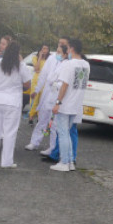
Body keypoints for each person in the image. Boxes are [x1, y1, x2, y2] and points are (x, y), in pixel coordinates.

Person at [0, 40, 32, 168]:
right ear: (18, 53)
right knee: (9, 133)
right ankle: (6, 162)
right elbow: (28, 85)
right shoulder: (21, 66)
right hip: (12, 101)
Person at [50, 38, 89, 172]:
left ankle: (64, 162)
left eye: (67, 47)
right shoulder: (86, 65)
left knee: (63, 133)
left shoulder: (69, 64)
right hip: (76, 105)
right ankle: (71, 161)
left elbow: (64, 85)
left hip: (66, 104)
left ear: (71, 48)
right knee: (68, 133)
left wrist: (57, 103)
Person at [26, 37, 68, 151]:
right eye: (59, 44)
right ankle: (34, 142)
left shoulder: (68, 62)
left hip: (58, 95)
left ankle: (52, 147)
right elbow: (43, 75)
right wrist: (36, 90)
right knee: (42, 119)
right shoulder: (52, 58)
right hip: (47, 93)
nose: (59, 47)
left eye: (62, 45)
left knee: (54, 124)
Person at [28, 44, 52, 122]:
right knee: (34, 99)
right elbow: (36, 68)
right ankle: (31, 116)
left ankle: (39, 117)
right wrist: (40, 57)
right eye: (43, 48)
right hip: (36, 81)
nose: (45, 50)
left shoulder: (49, 59)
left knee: (42, 100)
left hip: (45, 82)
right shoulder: (35, 58)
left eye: (46, 49)